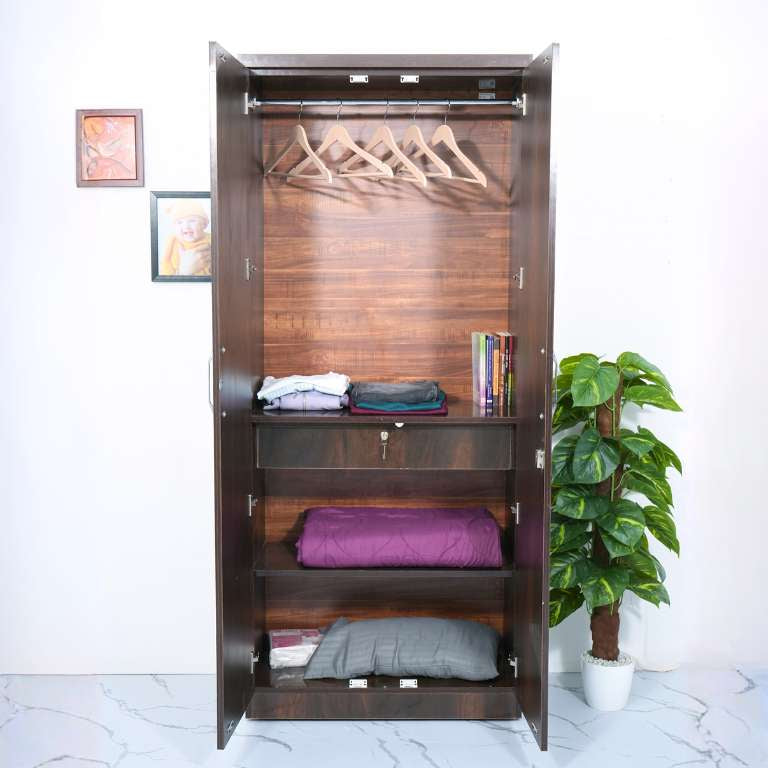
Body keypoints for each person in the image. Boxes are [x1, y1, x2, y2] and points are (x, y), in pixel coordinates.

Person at [160, 200, 212, 276]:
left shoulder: (211, 239)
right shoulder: (173, 241)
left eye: (192, 221)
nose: (186, 226)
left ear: (203, 224)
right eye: (179, 222)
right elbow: (165, 263)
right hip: (182, 284)